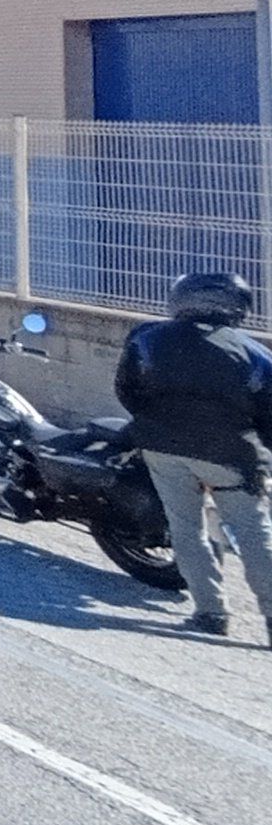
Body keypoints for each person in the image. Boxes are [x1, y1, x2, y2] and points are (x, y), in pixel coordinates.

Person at [115, 268, 272, 639]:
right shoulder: (255, 353)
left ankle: (211, 613)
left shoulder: (146, 338)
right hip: (232, 456)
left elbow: (127, 392)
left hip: (162, 448)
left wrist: (153, 424)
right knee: (252, 535)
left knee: (187, 529)